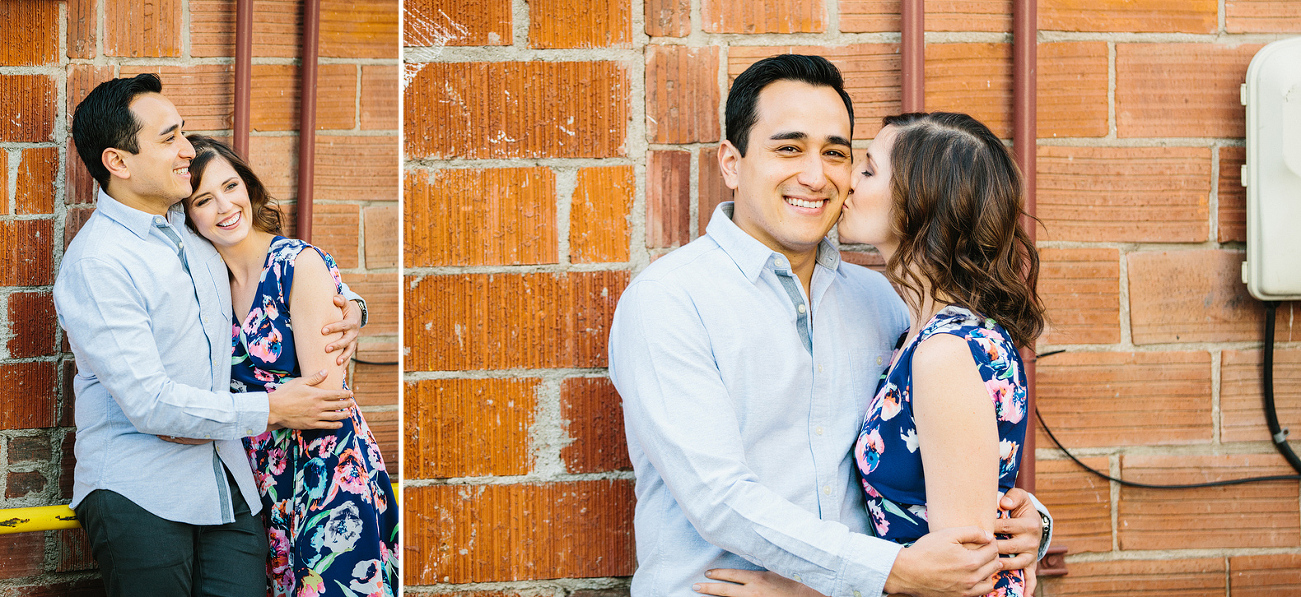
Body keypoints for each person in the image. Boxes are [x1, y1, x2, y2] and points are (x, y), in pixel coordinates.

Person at [607, 55, 1052, 597]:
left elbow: (931, 467)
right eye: (788, 148)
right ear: (731, 162)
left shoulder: (885, 304)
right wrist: (892, 572)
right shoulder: (669, 301)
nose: (816, 176)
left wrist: (1026, 525)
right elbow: (719, 500)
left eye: (838, 155)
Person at [696, 113, 1044, 597]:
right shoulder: (918, 328)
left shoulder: (944, 353)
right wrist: (1034, 522)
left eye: (868, 170)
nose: (847, 184)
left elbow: (964, 577)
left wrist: (807, 593)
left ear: (921, 201)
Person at [55, 73, 368, 596]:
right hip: (140, 491)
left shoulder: (190, 223)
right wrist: (273, 409)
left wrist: (354, 306)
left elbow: (274, 269)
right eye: (169, 138)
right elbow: (150, 403)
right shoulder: (98, 263)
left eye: (183, 133)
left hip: (227, 485)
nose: (186, 151)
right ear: (118, 162)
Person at [180, 134, 399, 596]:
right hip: (259, 481)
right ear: (187, 215)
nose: (224, 206)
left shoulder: (296, 265)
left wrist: (353, 306)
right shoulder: (205, 282)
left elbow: (325, 395)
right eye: (203, 199)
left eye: (231, 186)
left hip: (326, 469)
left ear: (250, 188)